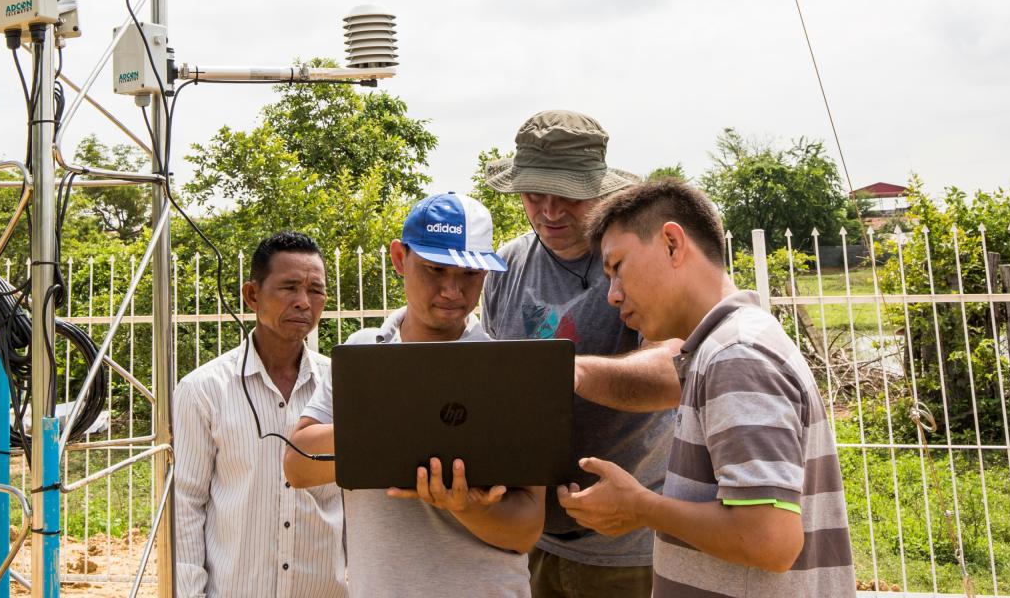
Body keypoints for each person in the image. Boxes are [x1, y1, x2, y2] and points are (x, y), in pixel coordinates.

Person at [557, 179, 854, 597]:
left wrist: (640, 506)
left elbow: (769, 539)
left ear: (673, 244)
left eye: (618, 267)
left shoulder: (736, 356)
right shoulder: (723, 347)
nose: (613, 295)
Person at [284, 192, 546, 598]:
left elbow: (526, 529)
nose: (453, 291)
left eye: (470, 275)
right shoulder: (362, 354)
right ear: (400, 259)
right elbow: (299, 464)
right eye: (436, 270)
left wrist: (467, 506)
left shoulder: (507, 372)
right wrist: (404, 428)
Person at [480, 109, 678, 597]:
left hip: (626, 546)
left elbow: (674, 372)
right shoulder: (505, 264)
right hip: (527, 538)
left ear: (602, 189)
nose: (549, 211)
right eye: (534, 195)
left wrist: (564, 374)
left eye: (567, 194)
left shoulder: (636, 262)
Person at [173, 232, 346, 597]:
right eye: (289, 288)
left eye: (316, 290)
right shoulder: (204, 390)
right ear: (252, 295)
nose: (304, 302)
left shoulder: (341, 386)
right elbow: (186, 505)